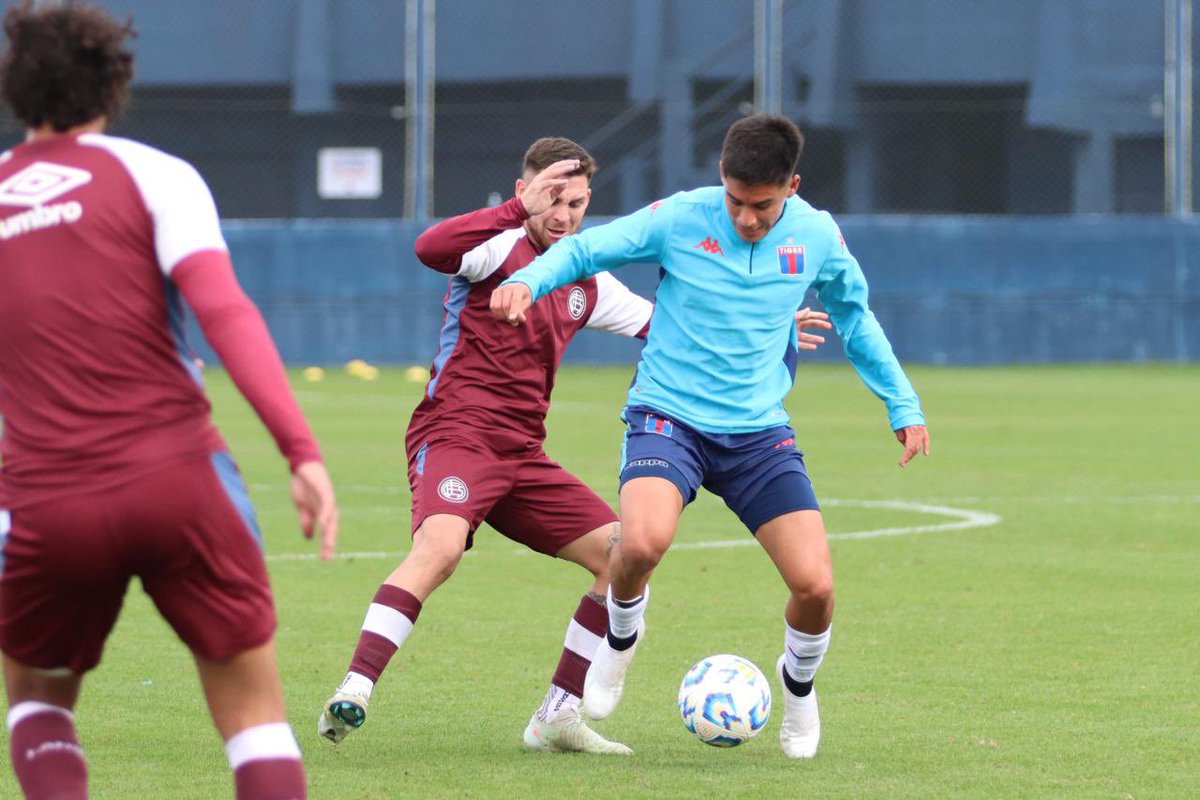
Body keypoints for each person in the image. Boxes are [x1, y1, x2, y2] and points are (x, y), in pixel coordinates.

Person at [316, 135, 838, 754]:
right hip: (457, 436)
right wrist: (517, 212)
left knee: (621, 555)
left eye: (578, 203)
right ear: (524, 193)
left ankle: (558, 714)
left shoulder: (588, 281)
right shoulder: (494, 247)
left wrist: (772, 323)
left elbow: (677, 327)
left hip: (523, 457)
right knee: (441, 549)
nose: (564, 216)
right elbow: (429, 248)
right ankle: (355, 688)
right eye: (552, 199)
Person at [490, 113, 930, 759]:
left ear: (791, 186)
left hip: (758, 435)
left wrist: (903, 404)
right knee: (638, 544)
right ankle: (620, 637)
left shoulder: (817, 236)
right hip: (669, 418)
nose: (746, 217)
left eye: (762, 205)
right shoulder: (682, 216)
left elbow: (855, 320)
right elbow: (589, 249)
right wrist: (530, 278)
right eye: (735, 200)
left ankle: (799, 690)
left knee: (816, 587)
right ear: (720, 181)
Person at [0, 4, 338, 799]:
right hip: (181, 486)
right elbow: (225, 314)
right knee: (255, 714)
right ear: (114, 86)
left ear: (16, 90)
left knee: (39, 703)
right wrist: (301, 451)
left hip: (49, 503)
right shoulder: (158, 174)